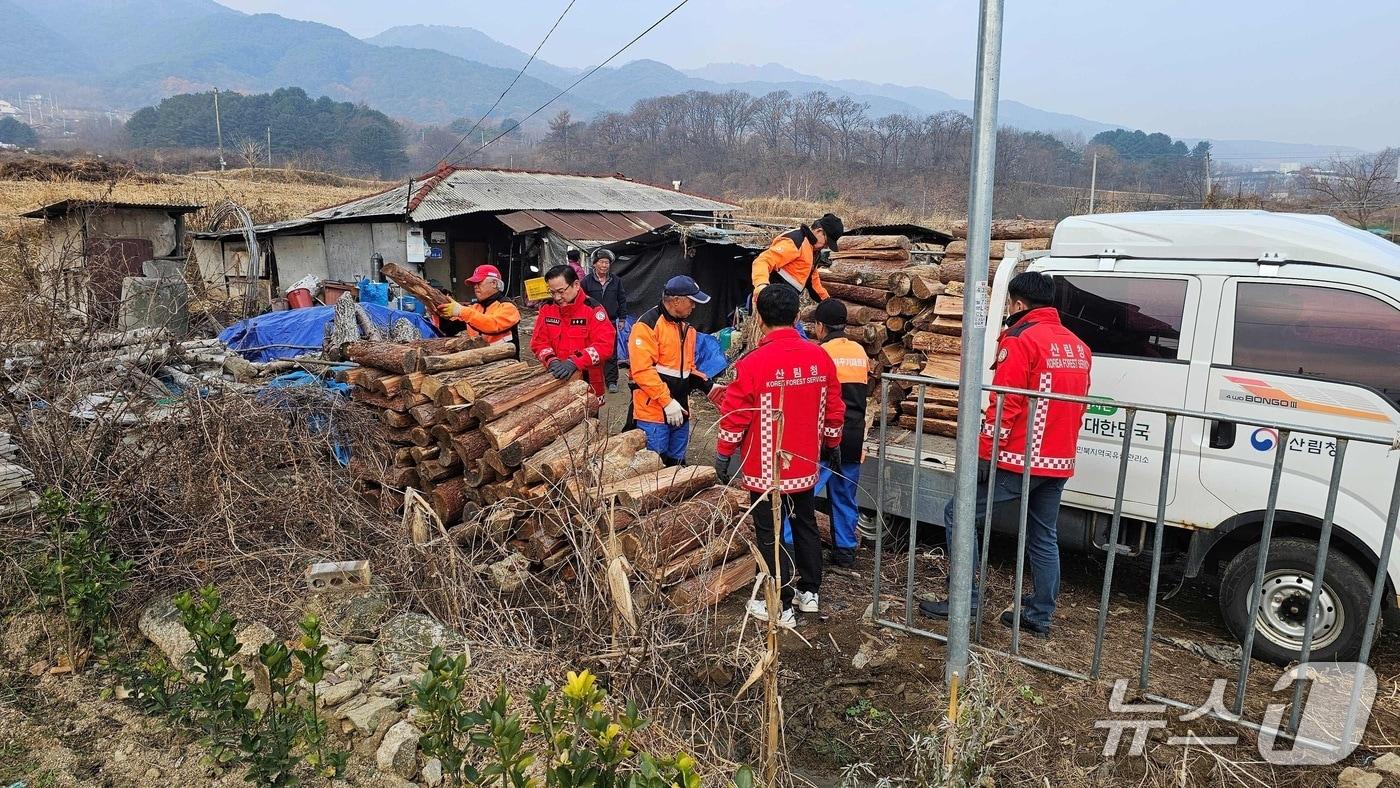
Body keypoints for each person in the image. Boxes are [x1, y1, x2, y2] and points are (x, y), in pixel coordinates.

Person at [918, 271, 1091, 638]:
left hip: (1021, 458)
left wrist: (985, 453)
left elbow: (1005, 402)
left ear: (1017, 303)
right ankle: (1040, 615)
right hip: (1059, 460)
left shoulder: (1022, 340)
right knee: (1043, 535)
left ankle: (965, 599)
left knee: (959, 514)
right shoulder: (1077, 345)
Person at [714, 284, 844, 627]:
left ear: (759, 318)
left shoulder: (753, 363)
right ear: (798, 315)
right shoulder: (819, 357)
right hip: (805, 462)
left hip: (765, 464)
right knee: (805, 522)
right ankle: (809, 593)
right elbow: (834, 408)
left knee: (770, 531)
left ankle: (779, 605)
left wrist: (724, 452)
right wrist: (832, 444)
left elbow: (735, 414)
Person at [809, 299, 869, 568]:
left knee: (803, 496)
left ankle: (788, 548)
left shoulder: (820, 354)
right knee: (844, 495)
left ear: (820, 326)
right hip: (853, 436)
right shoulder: (859, 351)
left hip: (824, 437)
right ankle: (845, 552)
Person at [629, 275, 711, 467]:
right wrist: (667, 402)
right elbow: (642, 371)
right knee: (654, 464)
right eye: (691, 301)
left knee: (677, 462)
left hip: (680, 407)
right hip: (654, 411)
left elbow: (687, 367)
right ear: (676, 301)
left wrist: (707, 383)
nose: (694, 306)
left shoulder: (687, 329)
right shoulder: (647, 326)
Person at [529, 264, 616, 403]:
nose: (557, 297)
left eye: (561, 291)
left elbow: (605, 346)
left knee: (589, 422)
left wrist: (574, 362)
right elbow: (538, 342)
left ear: (576, 285)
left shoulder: (593, 309)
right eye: (552, 292)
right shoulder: (547, 309)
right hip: (556, 379)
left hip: (588, 384)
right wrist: (551, 360)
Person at [751, 213, 844, 302]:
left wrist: (828, 302)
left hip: (787, 302)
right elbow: (763, 261)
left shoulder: (813, 251)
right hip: (771, 299)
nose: (826, 246)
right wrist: (761, 285)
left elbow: (813, 281)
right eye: (827, 242)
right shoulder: (796, 242)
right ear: (818, 231)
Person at [437, 264, 521, 351]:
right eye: (474, 284)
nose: (475, 286)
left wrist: (461, 311)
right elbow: (449, 329)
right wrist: (440, 313)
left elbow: (492, 325)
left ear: (494, 283)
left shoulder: (508, 307)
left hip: (506, 361)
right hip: (479, 360)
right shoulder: (474, 307)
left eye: (479, 282)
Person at [582, 248, 630, 393]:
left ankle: (611, 381)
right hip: (592, 322)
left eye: (607, 263)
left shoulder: (616, 281)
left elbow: (622, 300)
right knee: (591, 350)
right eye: (601, 262)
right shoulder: (586, 281)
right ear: (594, 264)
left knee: (611, 351)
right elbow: (582, 301)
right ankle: (591, 380)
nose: (604, 265)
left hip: (610, 321)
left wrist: (622, 318)